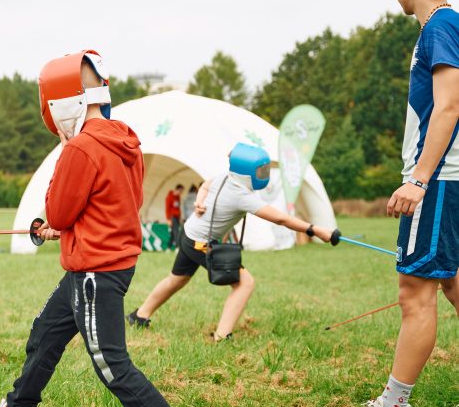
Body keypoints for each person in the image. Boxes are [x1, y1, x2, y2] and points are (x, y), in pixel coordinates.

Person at [0, 50, 216, 407]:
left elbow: (59, 212)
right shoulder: (125, 138)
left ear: (62, 103)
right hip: (98, 265)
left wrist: (58, 208)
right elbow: (114, 203)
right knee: (46, 334)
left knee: (112, 364)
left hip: (96, 272)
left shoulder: (80, 147)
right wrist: (72, 228)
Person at [342, 0, 459, 407]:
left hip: (439, 180)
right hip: (449, 179)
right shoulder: (446, 25)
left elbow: (449, 106)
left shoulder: (440, 26)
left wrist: (418, 178)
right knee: (453, 285)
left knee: (415, 291)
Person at [127, 143, 336, 340]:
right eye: (260, 171)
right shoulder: (240, 194)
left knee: (177, 279)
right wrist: (314, 230)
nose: (263, 175)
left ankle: (140, 316)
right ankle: (222, 336)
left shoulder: (226, 177)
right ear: (246, 173)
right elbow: (281, 218)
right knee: (245, 283)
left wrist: (199, 202)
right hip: (199, 242)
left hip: (189, 233)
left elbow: (205, 186)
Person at [165, 185, 184, 250]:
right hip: (172, 217)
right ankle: (177, 247)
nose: (181, 193)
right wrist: (168, 219)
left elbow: (178, 208)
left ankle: (168, 247)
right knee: (176, 232)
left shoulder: (178, 197)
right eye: (181, 191)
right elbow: (167, 209)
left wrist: (180, 217)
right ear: (177, 189)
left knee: (173, 233)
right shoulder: (169, 197)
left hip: (177, 217)